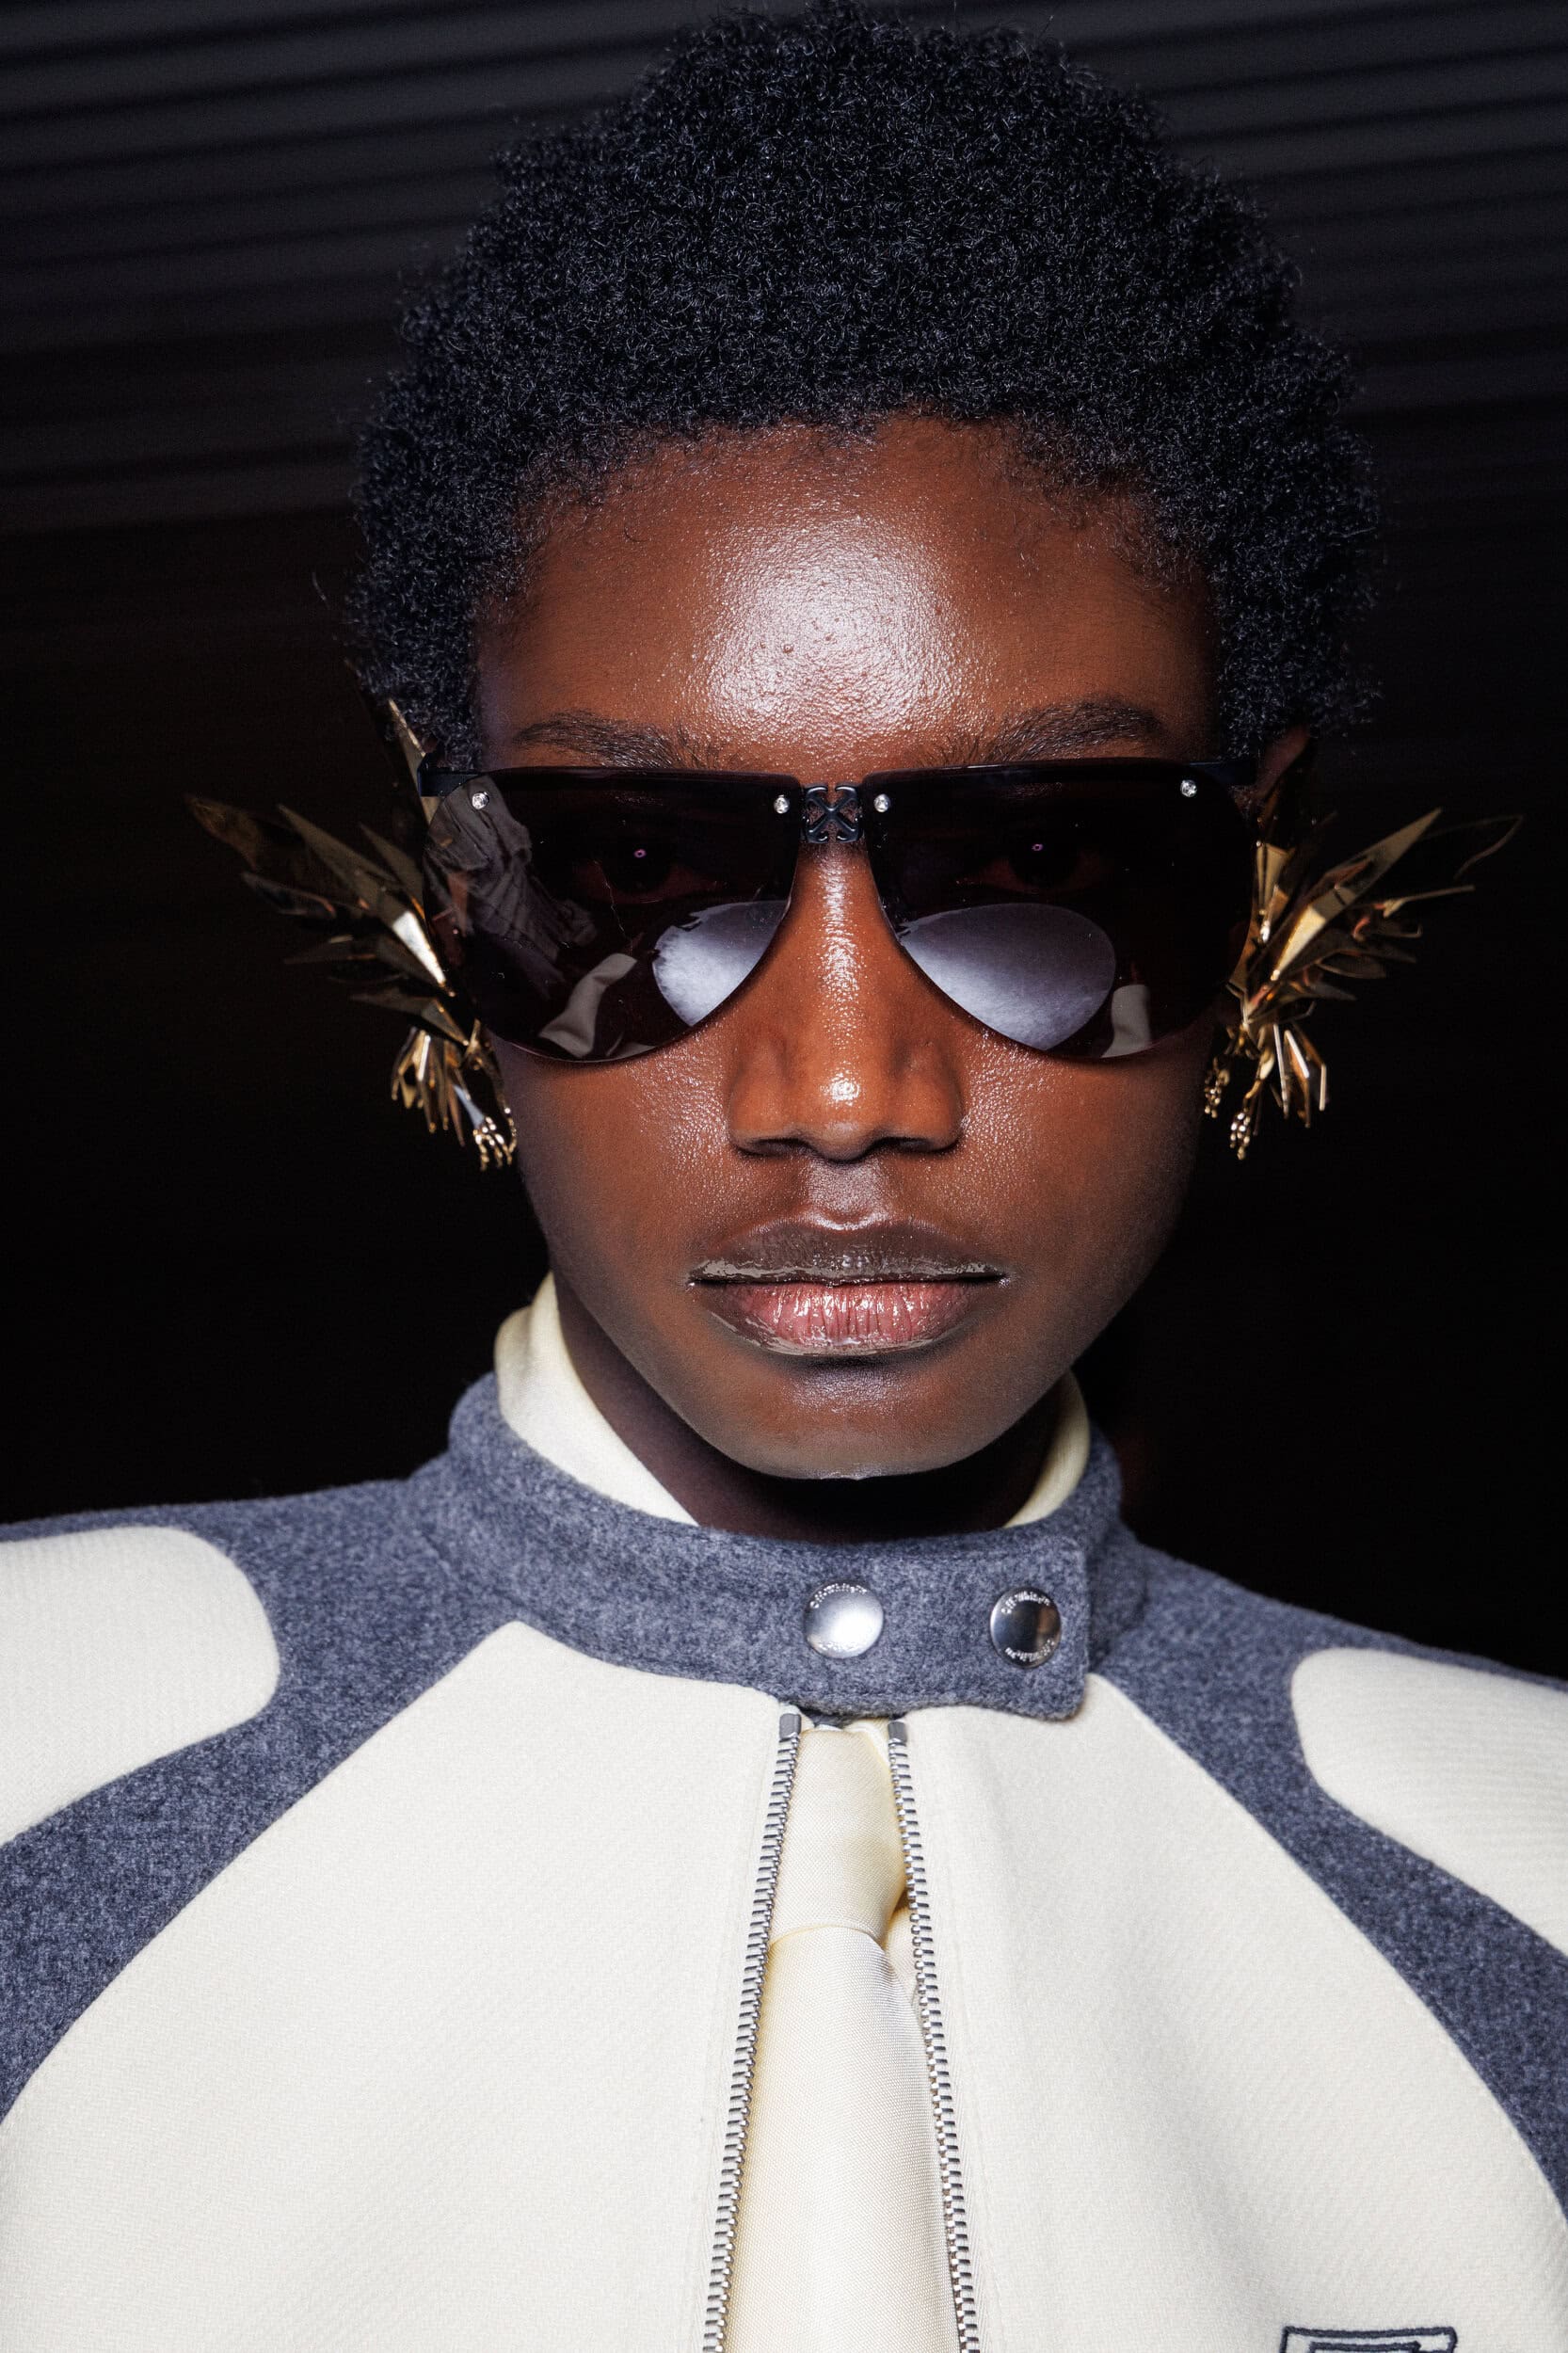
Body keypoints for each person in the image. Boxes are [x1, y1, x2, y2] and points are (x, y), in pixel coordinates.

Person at [2, 9, 1560, 2347]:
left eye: (1040, 865)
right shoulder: (33, 1752)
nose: (842, 1086)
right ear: (446, 904)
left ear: (1257, 892)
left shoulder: (1528, 1874)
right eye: (636, 866)